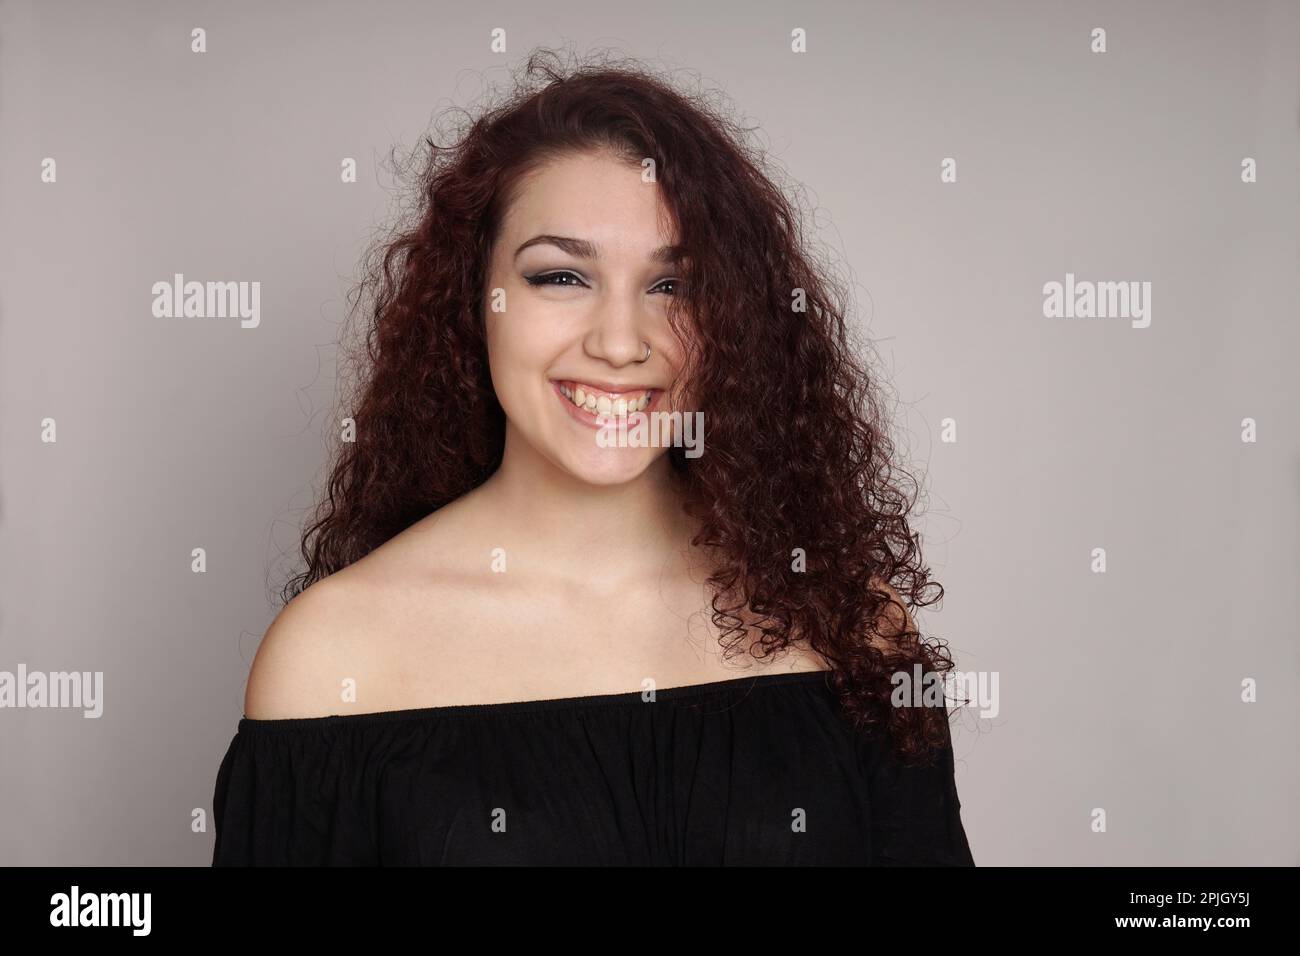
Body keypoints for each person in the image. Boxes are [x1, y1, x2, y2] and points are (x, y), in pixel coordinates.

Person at [211, 49, 975, 866]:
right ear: (474, 302)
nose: (619, 344)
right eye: (562, 276)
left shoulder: (848, 623)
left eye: (672, 287)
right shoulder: (330, 660)